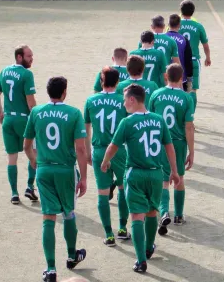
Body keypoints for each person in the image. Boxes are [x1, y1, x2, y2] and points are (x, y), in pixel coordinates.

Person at [101, 84, 180, 274]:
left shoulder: (127, 122)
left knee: (137, 216)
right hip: (155, 173)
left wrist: (105, 162)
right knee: (152, 212)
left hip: (135, 173)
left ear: (132, 99)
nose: (123, 103)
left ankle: (140, 260)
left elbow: (113, 146)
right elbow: (169, 147)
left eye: (124, 99)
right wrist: (174, 171)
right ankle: (149, 246)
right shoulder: (159, 120)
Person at [22, 77, 88, 282]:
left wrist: (34, 161)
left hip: (44, 170)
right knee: (68, 213)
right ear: (64, 92)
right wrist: (84, 177)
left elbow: (26, 145)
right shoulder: (74, 113)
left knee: (48, 217)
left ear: (48, 92)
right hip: (65, 170)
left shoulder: (36, 112)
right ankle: (71, 255)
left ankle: (50, 269)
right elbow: (80, 148)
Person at [84, 67, 130, 246]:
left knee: (102, 193)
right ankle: (122, 228)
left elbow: (86, 129)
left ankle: (109, 234)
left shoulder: (91, 100)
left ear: (101, 81)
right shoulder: (123, 101)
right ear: (118, 82)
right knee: (122, 187)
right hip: (119, 150)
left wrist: (88, 152)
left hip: (99, 149)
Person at [149, 64, 195, 232]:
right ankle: (179, 216)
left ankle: (163, 212)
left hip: (159, 142)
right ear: (182, 78)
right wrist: (192, 151)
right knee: (179, 178)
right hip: (178, 142)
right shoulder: (186, 98)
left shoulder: (156, 94)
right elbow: (189, 127)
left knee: (164, 180)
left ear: (166, 77)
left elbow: (150, 118)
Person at [0, 45, 38, 205]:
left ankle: (14, 193)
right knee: (34, 151)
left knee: (12, 158)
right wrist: (37, 118)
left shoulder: (4, 71)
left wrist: (0, 112)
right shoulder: (26, 74)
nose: (31, 59)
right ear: (19, 57)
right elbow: (31, 102)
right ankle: (29, 186)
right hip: (24, 120)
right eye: (28, 56)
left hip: (8, 120)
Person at [180, 0, 212, 110]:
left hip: (178, 61)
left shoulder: (175, 25)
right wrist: (208, 58)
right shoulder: (198, 26)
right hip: (193, 60)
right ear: (193, 12)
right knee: (192, 89)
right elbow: (205, 45)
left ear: (181, 11)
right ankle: (191, 116)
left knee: (178, 88)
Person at [164, 14, 194, 92]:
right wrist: (189, 77)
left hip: (164, 77)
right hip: (180, 78)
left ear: (168, 25)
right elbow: (188, 60)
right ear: (179, 25)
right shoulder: (184, 40)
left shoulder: (160, 39)